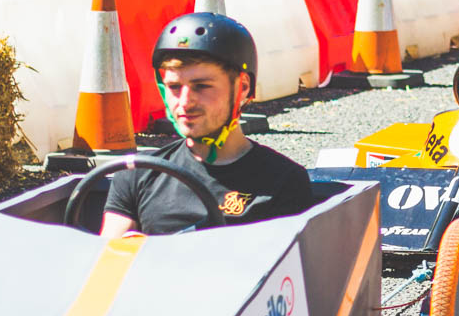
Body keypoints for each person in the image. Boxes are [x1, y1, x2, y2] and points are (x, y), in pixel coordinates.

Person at [101, 13, 314, 237]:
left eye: (201, 86)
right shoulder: (138, 174)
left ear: (242, 87)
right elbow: (108, 259)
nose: (184, 102)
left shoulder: (283, 182)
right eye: (174, 87)